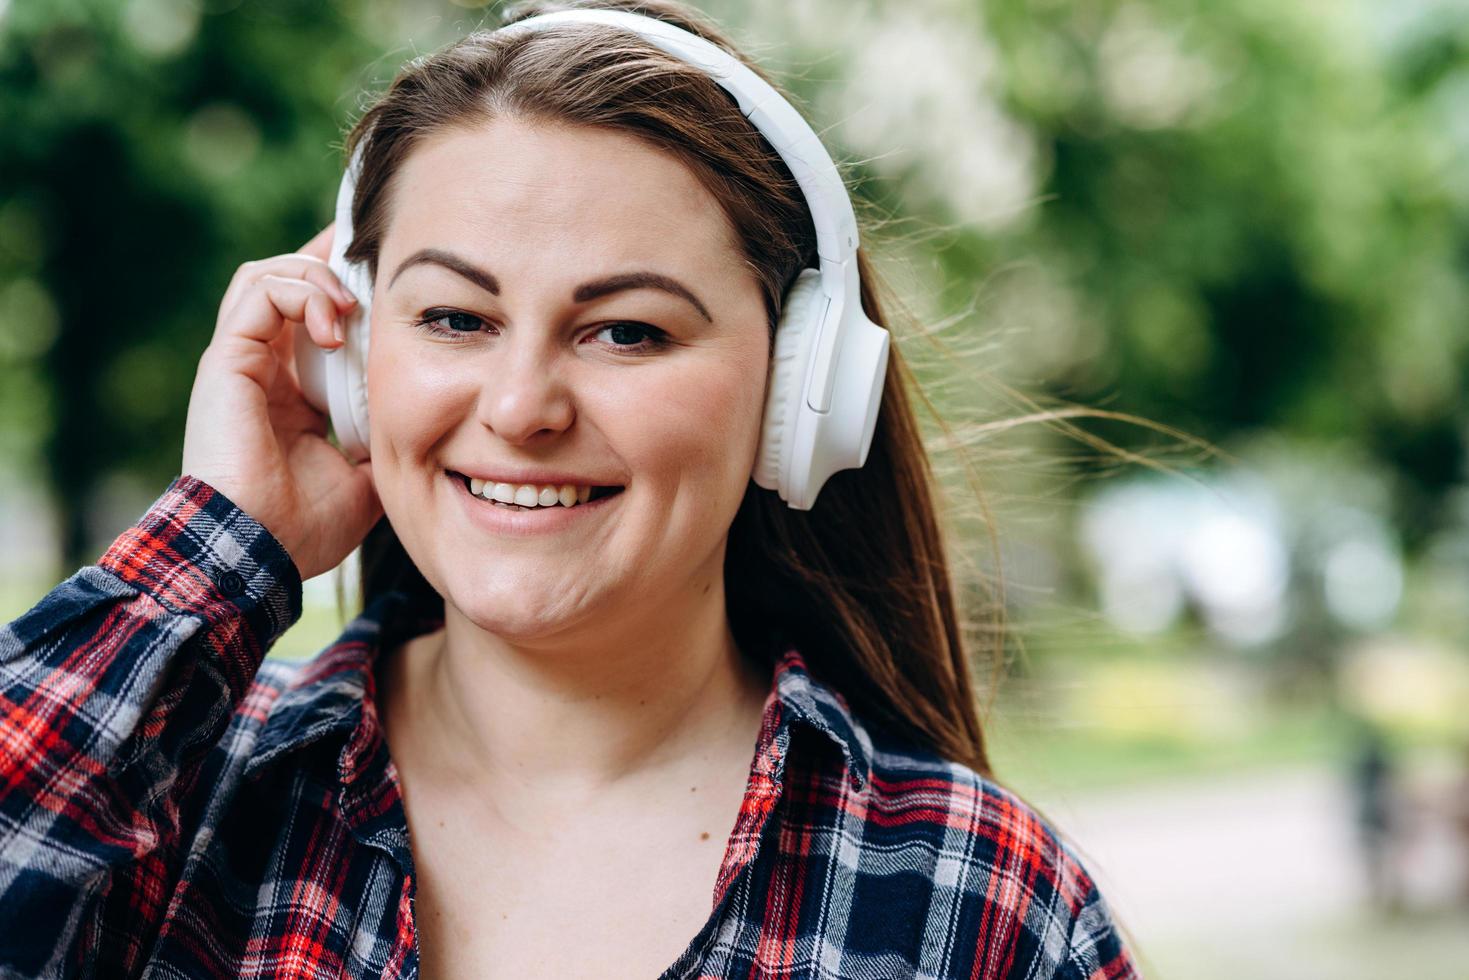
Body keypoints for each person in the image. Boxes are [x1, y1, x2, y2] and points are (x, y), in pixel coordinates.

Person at [0, 1, 1141, 977]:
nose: (520, 406)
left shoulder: (978, 903)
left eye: (626, 330)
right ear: (347, 363)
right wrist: (216, 544)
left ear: (800, 390)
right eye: (455, 316)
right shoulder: (166, 791)